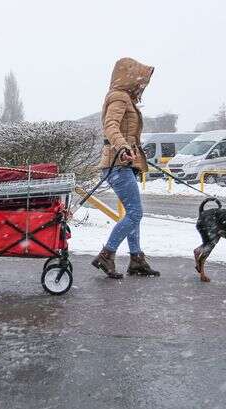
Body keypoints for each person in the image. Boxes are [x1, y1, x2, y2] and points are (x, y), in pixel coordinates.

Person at [91, 57, 161, 279]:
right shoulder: (119, 97)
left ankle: (136, 259)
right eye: (140, 81)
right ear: (129, 77)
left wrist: (136, 151)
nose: (142, 86)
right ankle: (107, 254)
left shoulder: (126, 99)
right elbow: (110, 126)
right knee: (135, 213)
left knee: (134, 213)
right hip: (117, 164)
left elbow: (127, 132)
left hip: (124, 163)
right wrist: (122, 147)